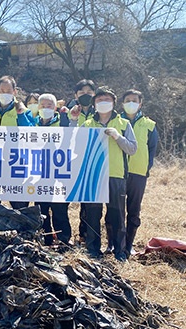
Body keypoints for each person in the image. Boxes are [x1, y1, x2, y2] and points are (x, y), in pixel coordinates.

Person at [81, 86, 137, 261]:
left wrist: (117, 137)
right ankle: (93, 250)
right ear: (94, 104)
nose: (103, 103)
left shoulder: (123, 124)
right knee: (92, 214)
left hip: (116, 175)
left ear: (114, 103)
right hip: (93, 176)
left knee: (117, 216)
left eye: (107, 100)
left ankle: (119, 252)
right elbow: (77, 149)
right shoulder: (87, 124)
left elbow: (132, 149)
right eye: (99, 100)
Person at [0, 75, 34, 217]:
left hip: (16, 162)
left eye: (8, 90)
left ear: (15, 92)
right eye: (2, 90)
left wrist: (20, 115)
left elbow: (31, 132)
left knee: (19, 203)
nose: (5, 93)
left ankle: (22, 234)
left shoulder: (24, 111)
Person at [121, 89, 158, 257]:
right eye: (127, 100)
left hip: (138, 174)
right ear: (122, 103)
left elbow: (152, 150)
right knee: (116, 210)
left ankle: (129, 244)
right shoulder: (117, 121)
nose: (131, 103)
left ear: (140, 103)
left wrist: (146, 169)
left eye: (134, 100)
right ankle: (115, 244)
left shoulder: (149, 125)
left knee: (133, 210)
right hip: (118, 172)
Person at [33, 93, 72, 247]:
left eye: (49, 105)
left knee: (59, 210)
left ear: (55, 107)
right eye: (42, 105)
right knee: (41, 209)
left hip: (59, 174)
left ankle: (63, 241)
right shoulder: (33, 125)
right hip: (38, 173)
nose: (46, 108)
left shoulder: (62, 122)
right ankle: (46, 240)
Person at [67, 79, 97, 244]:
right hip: (70, 161)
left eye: (89, 92)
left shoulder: (99, 112)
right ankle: (65, 236)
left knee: (88, 202)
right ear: (76, 95)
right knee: (64, 201)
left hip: (91, 161)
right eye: (82, 92)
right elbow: (65, 135)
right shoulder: (65, 112)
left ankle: (84, 235)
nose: (85, 95)